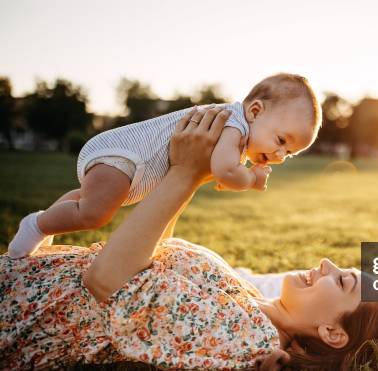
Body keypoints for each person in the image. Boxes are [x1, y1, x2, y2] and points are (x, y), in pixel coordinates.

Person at [0, 108, 378, 371]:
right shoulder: (252, 302)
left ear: (332, 334)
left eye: (341, 282)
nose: (325, 264)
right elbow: (157, 254)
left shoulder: (250, 340)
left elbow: (107, 282)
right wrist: (192, 174)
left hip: (16, 317)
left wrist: (185, 172)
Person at [8, 73, 322, 259]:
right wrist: (251, 179)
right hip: (125, 155)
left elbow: (219, 174)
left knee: (87, 200)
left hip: (125, 163)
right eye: (281, 140)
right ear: (255, 110)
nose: (280, 154)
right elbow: (226, 172)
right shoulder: (233, 124)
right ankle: (36, 224)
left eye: (289, 153)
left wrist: (237, 173)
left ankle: (49, 224)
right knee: (95, 213)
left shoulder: (236, 135)